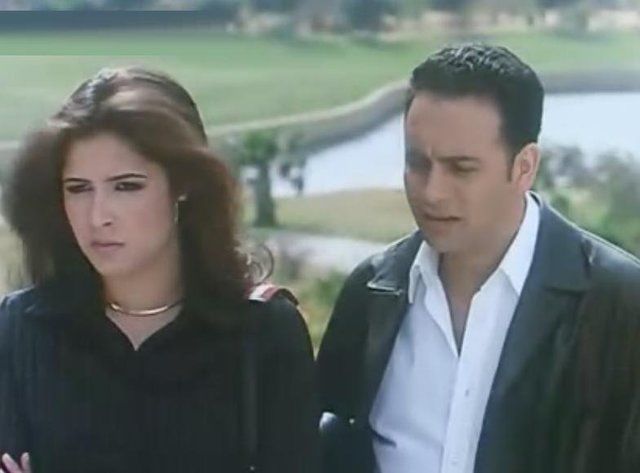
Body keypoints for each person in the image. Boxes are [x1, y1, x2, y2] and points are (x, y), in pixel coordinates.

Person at [316, 43, 640, 473]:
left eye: (461, 168)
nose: (432, 192)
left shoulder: (619, 305)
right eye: (417, 163)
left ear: (524, 167)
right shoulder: (372, 292)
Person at [0, 67, 318, 473]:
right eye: (78, 189)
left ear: (183, 185)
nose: (98, 217)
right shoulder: (20, 328)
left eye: (126, 186)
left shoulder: (264, 333)